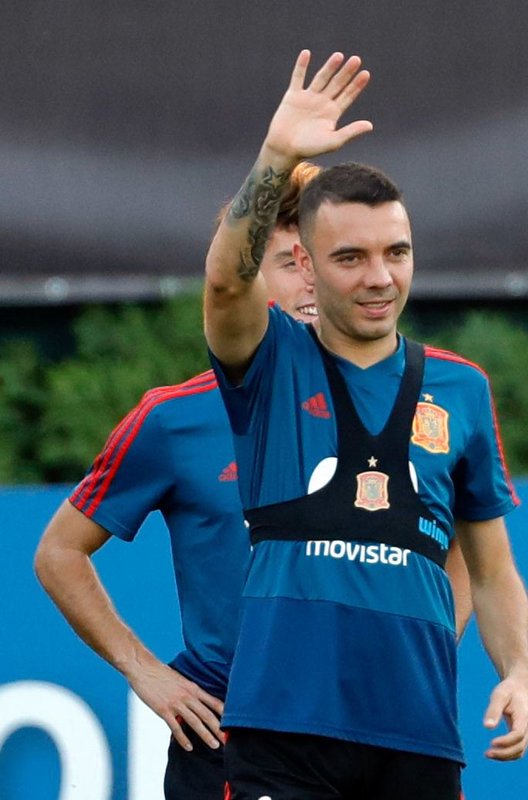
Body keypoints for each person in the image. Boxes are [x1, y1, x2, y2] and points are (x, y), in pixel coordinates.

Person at [202, 50, 528, 799]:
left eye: (397, 252)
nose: (379, 276)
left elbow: (492, 567)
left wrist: (516, 674)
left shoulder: (462, 388)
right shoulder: (269, 361)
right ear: (306, 267)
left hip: (417, 736)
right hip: (282, 732)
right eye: (350, 257)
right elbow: (227, 279)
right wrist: (277, 156)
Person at [32, 163, 337, 799]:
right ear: (251, 282)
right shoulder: (174, 419)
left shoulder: (405, 402)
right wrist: (145, 673)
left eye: (324, 259)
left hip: (375, 728)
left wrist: (427, 654)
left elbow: (463, 544)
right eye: (288, 261)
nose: (311, 280)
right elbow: (60, 551)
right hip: (234, 737)